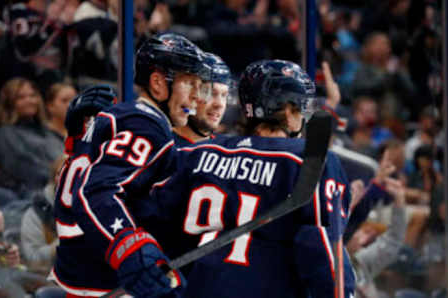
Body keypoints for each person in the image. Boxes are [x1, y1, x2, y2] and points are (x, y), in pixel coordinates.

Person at [133, 59, 355, 298]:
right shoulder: (310, 159)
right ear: (289, 110)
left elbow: (150, 227)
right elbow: (320, 245)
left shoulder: (196, 155)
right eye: (301, 109)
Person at [51, 33, 210, 297]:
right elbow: (98, 190)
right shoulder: (145, 124)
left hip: (81, 271)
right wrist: (129, 247)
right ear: (158, 83)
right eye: (189, 84)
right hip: (110, 279)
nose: (197, 97)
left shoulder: (122, 116)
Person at [0, 77, 63, 191]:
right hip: (32, 196)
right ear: (10, 102)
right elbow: (28, 171)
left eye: (33, 95)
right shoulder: (5, 135)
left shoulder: (47, 132)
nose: (30, 100)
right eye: (21, 97)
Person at [172, 52, 232, 146]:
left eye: (224, 95)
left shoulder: (229, 150)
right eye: (211, 93)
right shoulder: (163, 146)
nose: (219, 104)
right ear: (190, 94)